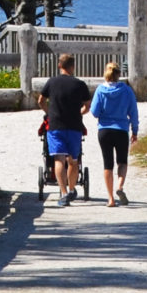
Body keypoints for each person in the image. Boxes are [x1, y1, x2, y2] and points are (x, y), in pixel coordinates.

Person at [40, 52, 93, 207]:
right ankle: (71, 189)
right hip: (74, 126)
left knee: (59, 160)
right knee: (73, 161)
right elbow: (87, 105)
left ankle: (63, 193)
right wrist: (80, 112)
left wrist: (48, 112)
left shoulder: (52, 82)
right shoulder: (79, 84)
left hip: (56, 125)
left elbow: (41, 100)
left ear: (59, 65)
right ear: (73, 67)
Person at [91, 60, 140, 206]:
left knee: (108, 164)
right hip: (121, 129)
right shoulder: (126, 90)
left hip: (104, 130)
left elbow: (94, 112)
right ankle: (120, 186)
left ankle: (110, 198)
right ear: (119, 74)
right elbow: (133, 112)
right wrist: (135, 131)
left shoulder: (100, 90)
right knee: (122, 161)